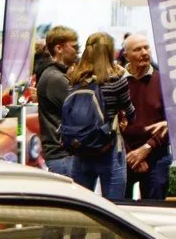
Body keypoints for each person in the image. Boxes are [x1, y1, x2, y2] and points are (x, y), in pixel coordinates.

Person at [60, 33, 128, 200]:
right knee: (113, 207)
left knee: (81, 205)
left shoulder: (75, 78)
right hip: (108, 150)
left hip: (80, 148)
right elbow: (131, 113)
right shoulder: (115, 80)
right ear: (110, 52)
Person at [119, 35, 171, 203]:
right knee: (119, 209)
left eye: (146, 47)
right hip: (124, 155)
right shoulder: (116, 83)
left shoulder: (165, 82)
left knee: (155, 209)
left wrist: (146, 148)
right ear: (126, 56)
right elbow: (111, 121)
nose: (144, 52)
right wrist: (131, 154)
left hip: (156, 154)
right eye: (137, 49)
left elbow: (172, 122)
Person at [34, 25, 77, 171]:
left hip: (62, 154)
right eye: (74, 47)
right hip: (62, 155)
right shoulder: (55, 78)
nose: (77, 51)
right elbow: (80, 111)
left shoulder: (55, 74)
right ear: (59, 48)